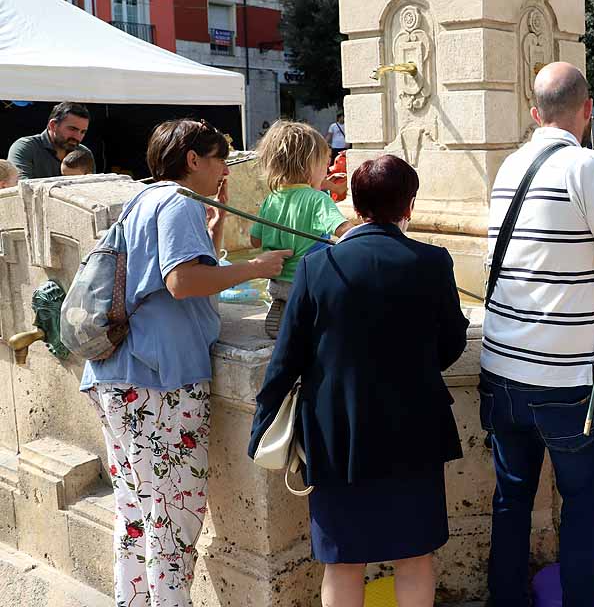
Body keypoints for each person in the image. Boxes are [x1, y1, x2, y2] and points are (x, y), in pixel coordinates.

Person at [82, 119, 291, 607]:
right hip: (161, 378)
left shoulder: (144, 198)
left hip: (120, 372)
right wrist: (257, 268)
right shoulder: (178, 203)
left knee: (137, 510)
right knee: (174, 511)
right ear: (193, 160)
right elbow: (180, 282)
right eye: (218, 157)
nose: (224, 168)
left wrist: (214, 238)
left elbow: (171, 273)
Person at [249, 154, 468, 607]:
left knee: (343, 559)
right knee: (414, 554)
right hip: (414, 428)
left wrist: (262, 425)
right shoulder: (432, 262)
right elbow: (451, 343)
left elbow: (287, 358)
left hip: (335, 433)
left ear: (354, 204)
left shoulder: (317, 266)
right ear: (408, 206)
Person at [480, 62, 594, 607]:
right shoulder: (585, 162)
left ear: (534, 112)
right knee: (582, 505)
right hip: (565, 381)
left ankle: (506, 597)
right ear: (588, 109)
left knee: (512, 501)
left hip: (502, 369)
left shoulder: (509, 165)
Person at [251, 121, 353, 339]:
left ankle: (282, 305)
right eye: (324, 166)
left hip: (276, 280)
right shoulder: (317, 199)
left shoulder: (271, 199)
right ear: (308, 166)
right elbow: (343, 230)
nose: (326, 173)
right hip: (309, 282)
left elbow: (255, 241)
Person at [7, 101, 93, 180]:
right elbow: (21, 187)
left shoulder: (84, 153)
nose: (77, 137)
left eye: (83, 132)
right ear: (52, 125)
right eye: (72, 129)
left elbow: (91, 188)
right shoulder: (26, 148)